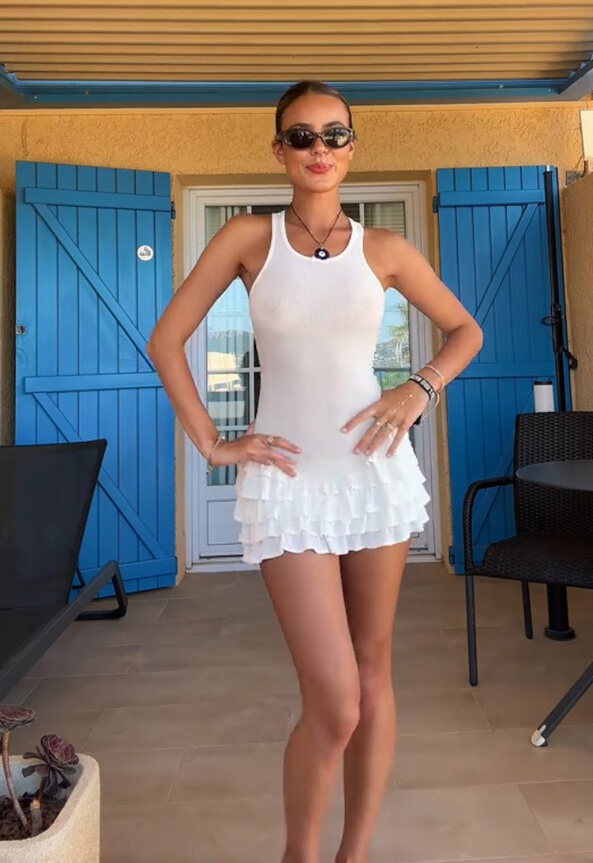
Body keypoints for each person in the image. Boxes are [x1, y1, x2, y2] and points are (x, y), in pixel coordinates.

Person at [146, 80, 483, 863]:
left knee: (371, 674)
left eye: (334, 134)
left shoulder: (386, 250)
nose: (319, 148)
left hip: (373, 477)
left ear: (351, 148)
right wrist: (212, 443)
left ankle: (351, 853)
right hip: (288, 483)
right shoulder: (247, 238)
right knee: (333, 700)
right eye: (301, 136)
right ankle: (299, 852)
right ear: (279, 150)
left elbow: (464, 330)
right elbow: (166, 342)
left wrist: (419, 386)